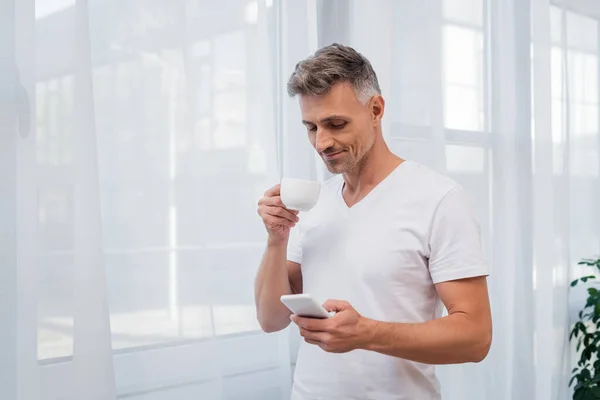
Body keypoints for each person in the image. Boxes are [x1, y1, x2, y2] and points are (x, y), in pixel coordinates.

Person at [254, 43, 492, 400]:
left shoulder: (439, 199)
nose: (322, 142)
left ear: (376, 110)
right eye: (311, 127)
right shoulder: (315, 203)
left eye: (336, 124)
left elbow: (475, 338)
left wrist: (366, 333)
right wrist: (277, 239)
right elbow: (271, 320)